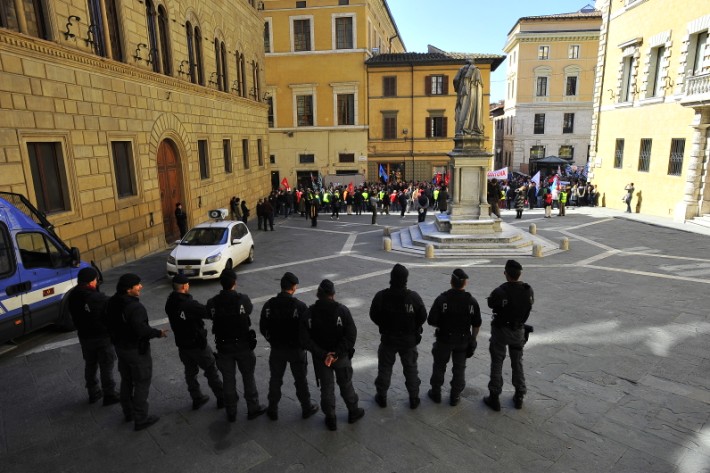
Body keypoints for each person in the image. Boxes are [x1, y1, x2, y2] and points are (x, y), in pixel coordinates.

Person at [105, 273, 168, 431]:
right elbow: (141, 330)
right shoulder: (135, 307)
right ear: (128, 289)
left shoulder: (112, 302)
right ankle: (140, 418)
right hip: (136, 350)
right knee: (141, 382)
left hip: (121, 348)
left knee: (126, 380)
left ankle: (129, 412)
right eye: (137, 285)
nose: (141, 286)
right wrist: (158, 333)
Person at [299, 279, 364, 431]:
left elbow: (304, 340)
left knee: (326, 388)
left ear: (318, 293)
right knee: (346, 384)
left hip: (321, 359)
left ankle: (331, 418)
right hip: (340, 357)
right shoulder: (342, 311)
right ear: (333, 294)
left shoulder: (309, 313)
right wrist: (336, 353)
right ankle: (353, 411)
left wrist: (323, 354)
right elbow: (351, 335)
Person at [207, 269, 266, 422]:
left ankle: (231, 411)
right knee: (248, 377)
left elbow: (209, 313)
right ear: (234, 283)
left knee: (228, 380)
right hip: (243, 346)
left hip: (223, 347)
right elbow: (249, 310)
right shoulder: (243, 300)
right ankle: (253, 408)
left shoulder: (212, 302)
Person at [259, 272, 319, 421]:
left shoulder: (269, 305)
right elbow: (308, 329)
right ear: (293, 287)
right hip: (296, 351)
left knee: (275, 379)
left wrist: (271, 340)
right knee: (300, 380)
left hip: (277, 349)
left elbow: (263, 327)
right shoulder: (300, 306)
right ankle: (306, 407)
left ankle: (273, 409)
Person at [369, 264, 427, 409]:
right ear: (406, 279)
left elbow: (373, 315)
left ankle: (381, 396)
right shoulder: (413, 297)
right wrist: (415, 328)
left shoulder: (381, 296)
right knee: (411, 369)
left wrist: (384, 325)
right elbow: (422, 316)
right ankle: (414, 398)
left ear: (391, 278)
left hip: (388, 339)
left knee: (384, 368)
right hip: (408, 341)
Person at [165, 274, 224, 410]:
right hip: (197, 344)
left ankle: (196, 397)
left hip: (182, 344)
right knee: (211, 369)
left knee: (190, 372)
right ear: (185, 286)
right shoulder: (189, 304)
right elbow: (208, 312)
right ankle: (222, 397)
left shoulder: (170, 303)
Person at [484, 260, 534, 411]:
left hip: (501, 331)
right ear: (520, 274)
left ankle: (494, 396)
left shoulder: (500, 291)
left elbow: (491, 304)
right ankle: (519, 394)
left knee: (497, 362)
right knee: (517, 362)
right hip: (518, 330)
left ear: (505, 273)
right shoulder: (528, 290)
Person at [427, 269, 481, 406]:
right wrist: (473, 340)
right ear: (465, 283)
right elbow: (476, 324)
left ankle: (436, 392)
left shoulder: (442, 299)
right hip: (463, 341)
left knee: (439, 366)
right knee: (459, 368)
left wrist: (441, 325)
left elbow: (431, 320)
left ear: (451, 282)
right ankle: (455, 396)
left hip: (444, 339)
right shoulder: (471, 302)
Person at [68, 267, 119, 406]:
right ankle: (109, 394)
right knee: (106, 366)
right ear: (91, 282)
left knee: (90, 365)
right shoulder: (97, 298)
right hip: (102, 337)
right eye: (96, 280)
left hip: (84, 337)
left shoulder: (72, 296)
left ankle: (93, 392)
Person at [453, 60, 484, 136]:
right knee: (472, 109)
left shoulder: (461, 69)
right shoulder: (477, 70)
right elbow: (480, 85)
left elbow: (455, 80)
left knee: (462, 109)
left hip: (463, 93)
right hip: (474, 95)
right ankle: (472, 127)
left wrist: (458, 88)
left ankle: (462, 128)